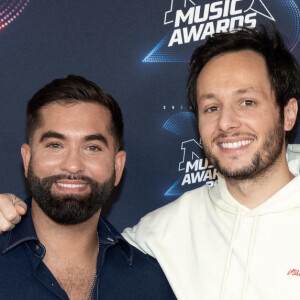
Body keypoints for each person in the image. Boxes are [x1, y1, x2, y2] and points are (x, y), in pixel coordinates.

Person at [0, 27, 300, 300]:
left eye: (247, 102)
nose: (226, 122)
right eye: (211, 107)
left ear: (288, 113)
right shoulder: (157, 235)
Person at [0, 75, 175, 299]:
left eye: (92, 147)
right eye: (55, 145)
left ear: (117, 167)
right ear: (27, 160)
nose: (73, 165)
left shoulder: (147, 280)